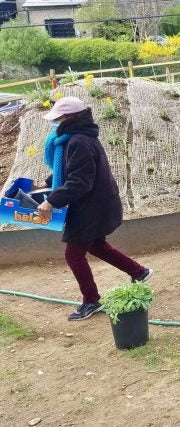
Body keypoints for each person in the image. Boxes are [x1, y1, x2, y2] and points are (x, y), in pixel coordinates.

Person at [35, 97, 153, 321]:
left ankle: (91, 301)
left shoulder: (78, 140)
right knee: (97, 245)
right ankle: (139, 271)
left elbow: (80, 181)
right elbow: (73, 170)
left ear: (68, 118)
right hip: (98, 204)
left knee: (74, 255)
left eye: (57, 119)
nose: (54, 123)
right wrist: (50, 182)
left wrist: (52, 200)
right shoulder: (80, 137)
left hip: (91, 208)